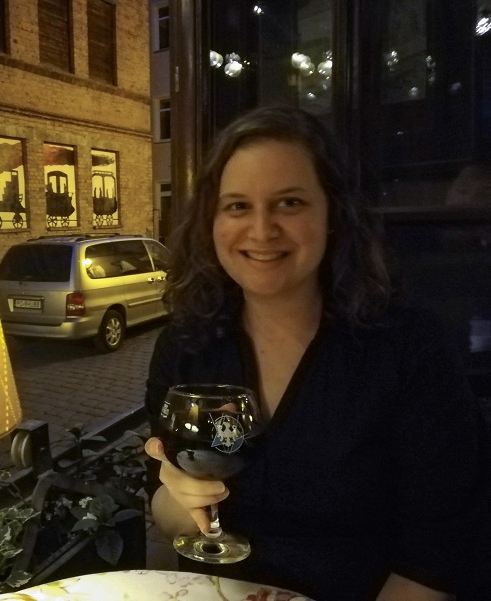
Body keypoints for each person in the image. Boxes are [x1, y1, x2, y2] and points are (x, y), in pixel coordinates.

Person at [144, 106, 488, 601]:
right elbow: (162, 504)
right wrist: (180, 494)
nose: (261, 231)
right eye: (238, 206)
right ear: (211, 222)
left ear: (332, 215)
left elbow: (439, 556)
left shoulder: (409, 349)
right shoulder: (184, 345)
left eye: (288, 203)